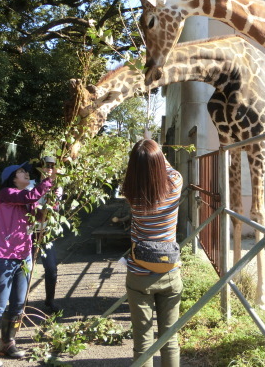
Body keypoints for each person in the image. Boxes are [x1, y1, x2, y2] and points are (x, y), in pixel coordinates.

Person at [0, 161, 54, 367]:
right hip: (3, 257)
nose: (26, 174)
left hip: (24, 256)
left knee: (18, 303)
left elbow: (40, 216)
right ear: (12, 178)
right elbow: (29, 195)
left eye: (26, 171)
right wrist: (48, 180)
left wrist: (53, 202)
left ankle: (7, 343)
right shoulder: (7, 194)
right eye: (21, 172)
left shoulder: (27, 200)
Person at [121, 139, 183, 367]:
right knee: (170, 339)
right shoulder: (175, 184)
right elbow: (167, 167)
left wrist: (141, 158)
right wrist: (156, 151)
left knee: (143, 341)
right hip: (169, 271)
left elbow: (139, 172)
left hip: (139, 274)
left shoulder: (130, 193)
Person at [30, 155, 62, 313]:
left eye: (52, 165)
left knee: (51, 269)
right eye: (46, 165)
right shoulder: (30, 185)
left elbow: (54, 210)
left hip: (47, 233)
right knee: (25, 268)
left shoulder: (57, 187)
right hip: (29, 233)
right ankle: (22, 302)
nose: (49, 168)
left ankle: (50, 301)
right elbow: (31, 208)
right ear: (40, 167)